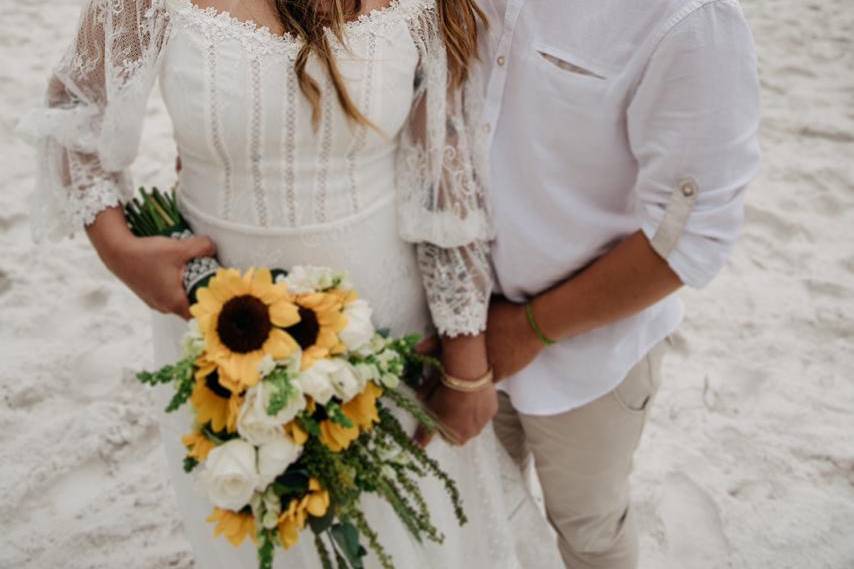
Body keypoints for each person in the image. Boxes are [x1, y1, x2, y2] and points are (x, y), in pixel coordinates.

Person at [18, 0, 563, 567]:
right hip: (218, 333)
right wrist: (120, 250)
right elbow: (74, 108)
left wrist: (465, 367)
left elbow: (445, 184)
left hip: (387, 330)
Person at [426, 0, 761, 567]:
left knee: (589, 529)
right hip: (455, 324)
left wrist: (529, 328)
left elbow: (691, 234)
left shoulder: (693, 18)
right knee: (476, 515)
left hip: (590, 356)